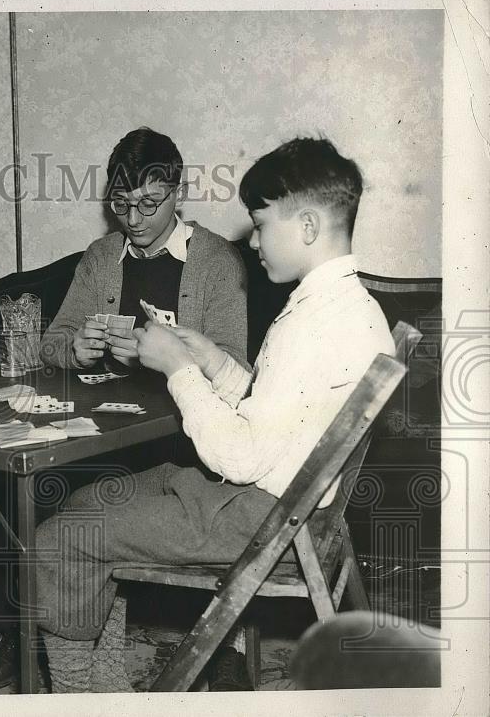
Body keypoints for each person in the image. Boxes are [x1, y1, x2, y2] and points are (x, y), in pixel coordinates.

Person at [34, 137, 394, 693]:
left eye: (259, 223)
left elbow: (238, 455)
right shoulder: (344, 308)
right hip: (283, 505)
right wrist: (213, 360)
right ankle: (107, 682)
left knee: (63, 536)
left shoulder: (315, 321)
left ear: (304, 226)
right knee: (86, 500)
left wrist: (179, 368)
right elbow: (278, 408)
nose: (252, 241)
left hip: (261, 517)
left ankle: (81, 695)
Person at [39, 127, 248, 373]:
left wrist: (165, 359)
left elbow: (233, 367)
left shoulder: (217, 261)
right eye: (121, 204)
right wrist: (74, 351)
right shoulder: (100, 256)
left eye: (148, 204)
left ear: (179, 195)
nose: (133, 219)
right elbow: (50, 344)